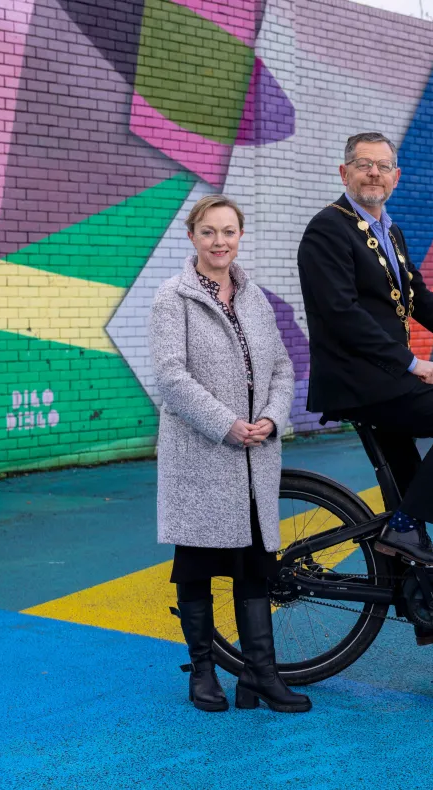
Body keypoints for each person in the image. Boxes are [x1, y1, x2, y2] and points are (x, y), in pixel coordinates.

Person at [297, 132, 433, 567]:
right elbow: (340, 313)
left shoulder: (389, 230)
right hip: (359, 378)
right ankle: (401, 532)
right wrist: (409, 361)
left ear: (396, 177)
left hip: (382, 376)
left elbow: (420, 300)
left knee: (407, 479)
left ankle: (409, 557)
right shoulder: (328, 227)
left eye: (383, 166)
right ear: (344, 172)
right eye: (364, 164)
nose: (374, 173)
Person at [151, 194, 309, 714]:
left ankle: (258, 675)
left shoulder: (254, 296)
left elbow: (282, 367)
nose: (220, 242)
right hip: (202, 456)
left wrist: (271, 417)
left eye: (229, 232)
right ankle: (203, 673)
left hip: (254, 455)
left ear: (240, 236)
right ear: (192, 236)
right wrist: (226, 425)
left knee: (254, 567)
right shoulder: (172, 298)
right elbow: (172, 378)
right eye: (209, 232)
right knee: (196, 566)